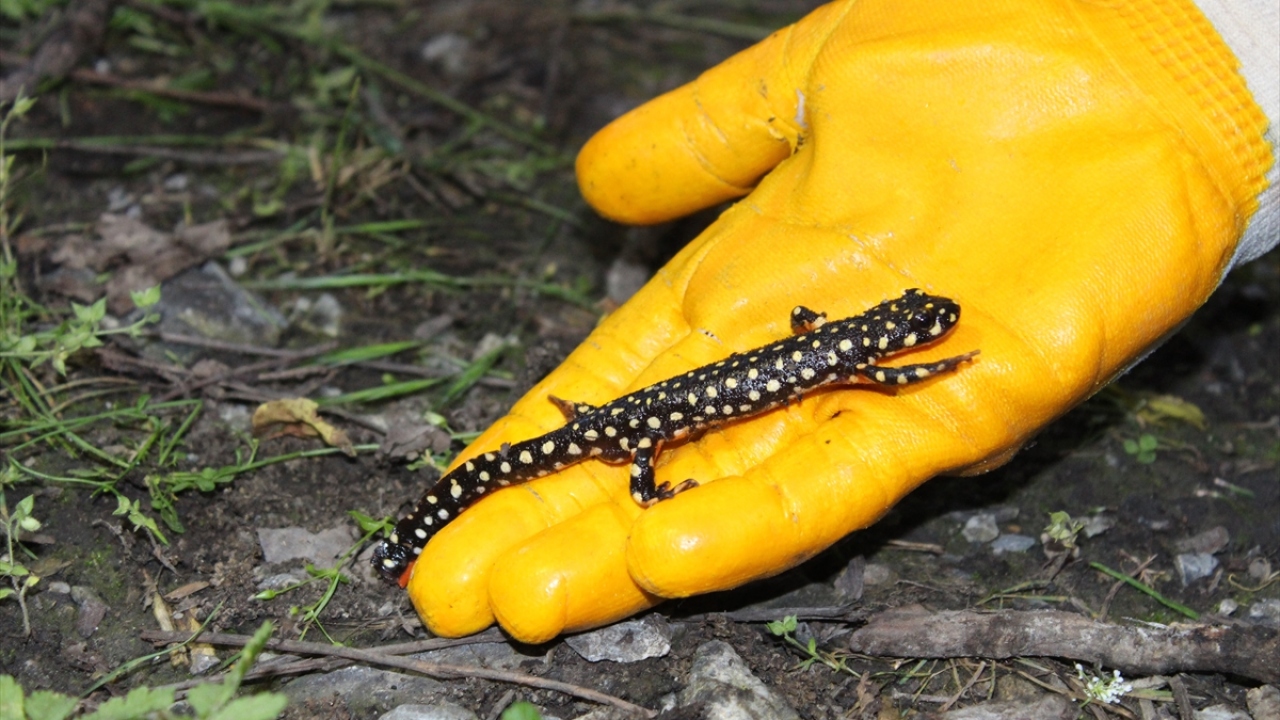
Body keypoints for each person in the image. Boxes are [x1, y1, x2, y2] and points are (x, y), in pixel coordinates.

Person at [401, 0, 1277, 643]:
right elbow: (882, 369)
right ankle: (423, 526)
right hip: (635, 429)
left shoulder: (840, 345)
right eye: (919, 328)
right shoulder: (861, 358)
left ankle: (433, 522)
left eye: (921, 329)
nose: (923, 333)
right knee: (593, 460)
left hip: (642, 416)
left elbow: (817, 323)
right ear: (893, 333)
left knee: (595, 445)